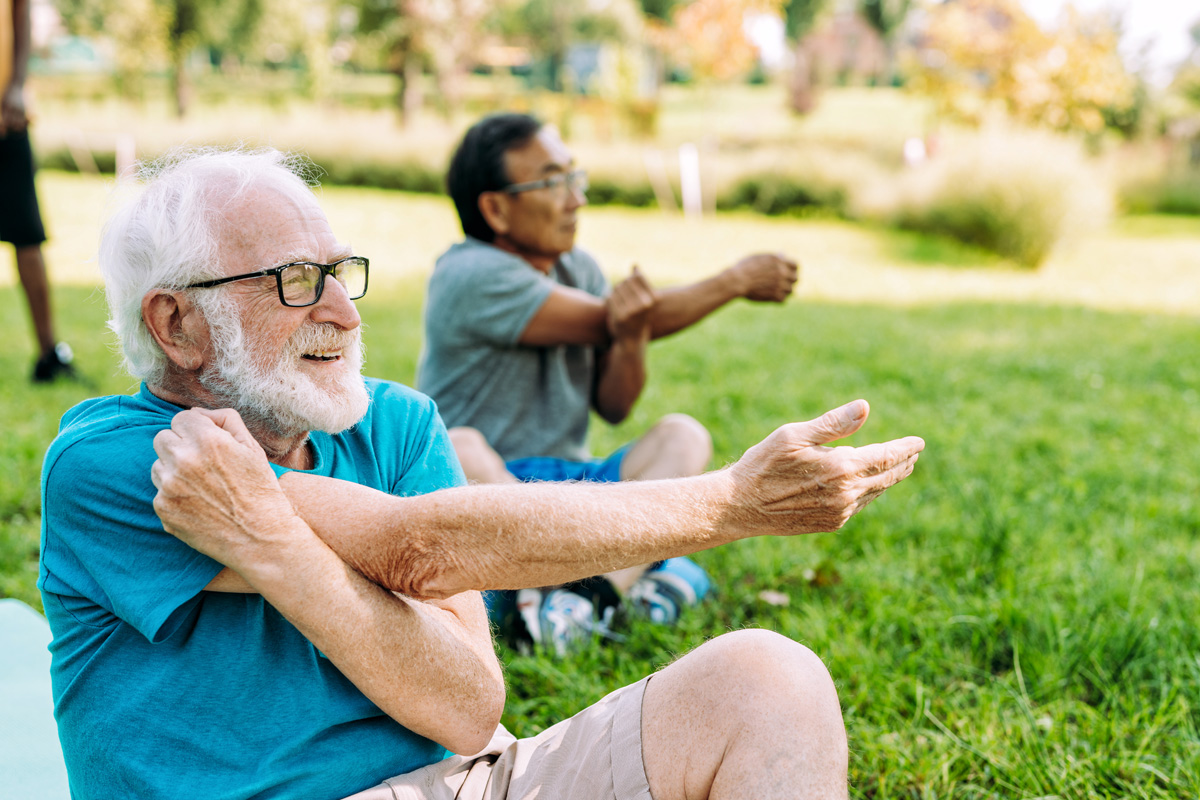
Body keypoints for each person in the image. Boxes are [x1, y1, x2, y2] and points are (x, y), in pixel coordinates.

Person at [39, 147, 924, 800]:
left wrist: (272, 543)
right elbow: (418, 548)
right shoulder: (117, 459)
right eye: (297, 282)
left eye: (342, 275)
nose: (345, 313)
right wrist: (732, 502)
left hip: (472, 782)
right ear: (178, 325)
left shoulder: (397, 422)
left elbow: (466, 709)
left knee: (769, 680)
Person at [420, 112, 800, 642]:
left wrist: (630, 335)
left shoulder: (580, 269)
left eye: (575, 177)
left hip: (570, 491)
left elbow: (615, 403)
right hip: (484, 506)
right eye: (553, 182)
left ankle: (578, 600)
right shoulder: (469, 275)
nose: (575, 198)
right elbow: (602, 321)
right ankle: (620, 589)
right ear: (496, 209)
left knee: (683, 436)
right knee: (458, 444)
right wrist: (733, 281)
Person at [2, 0, 76, 382]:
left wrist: (15, 87)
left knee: (28, 235)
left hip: (6, 118)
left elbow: (21, 14)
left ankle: (49, 353)